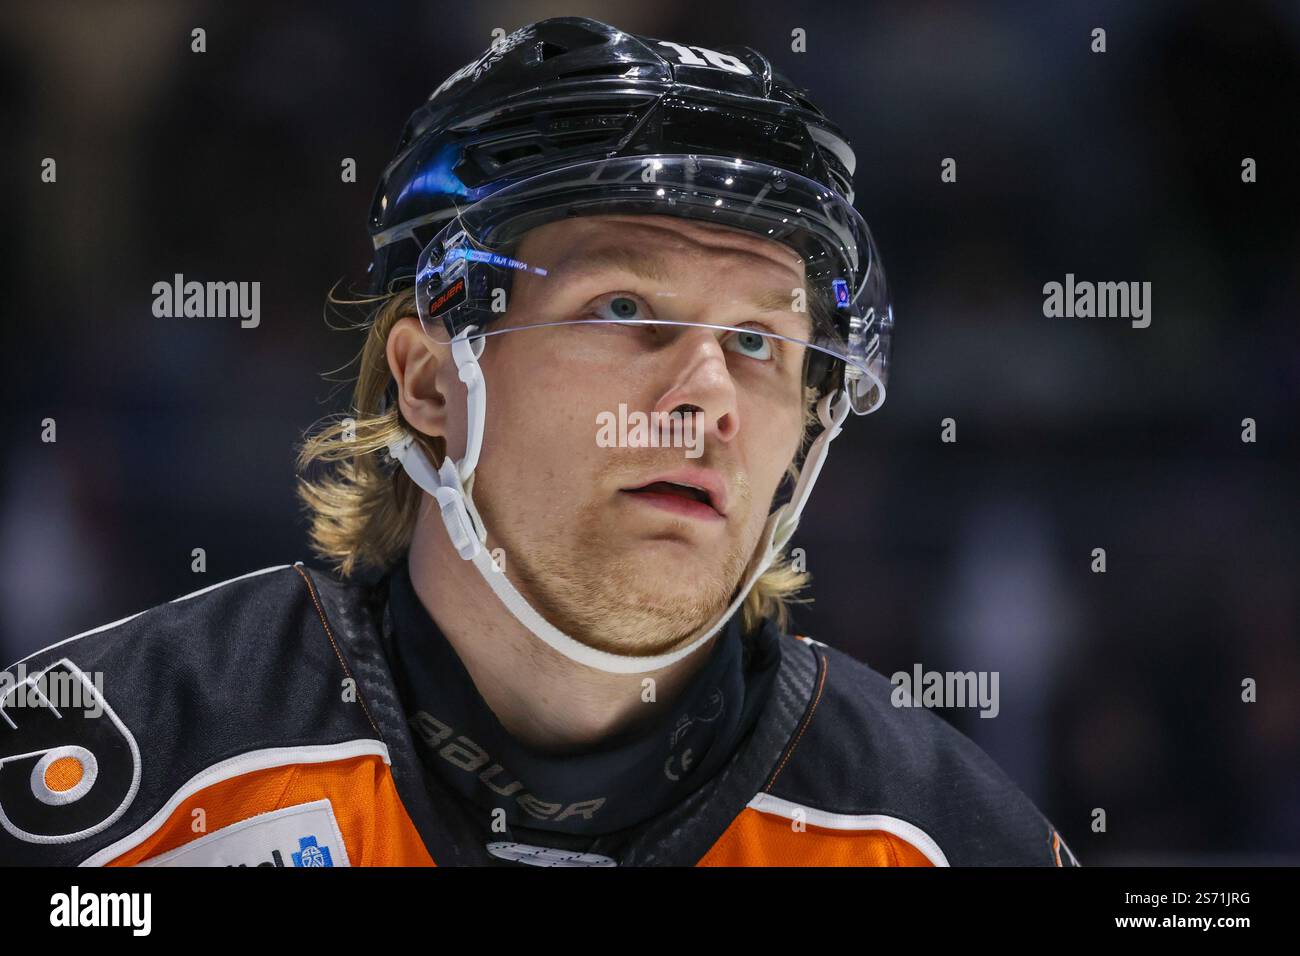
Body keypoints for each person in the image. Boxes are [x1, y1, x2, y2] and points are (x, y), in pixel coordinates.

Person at [0, 17, 1076, 867]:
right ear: (428, 378)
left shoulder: (937, 835)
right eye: (621, 308)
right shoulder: (113, 767)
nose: (706, 395)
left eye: (757, 336)